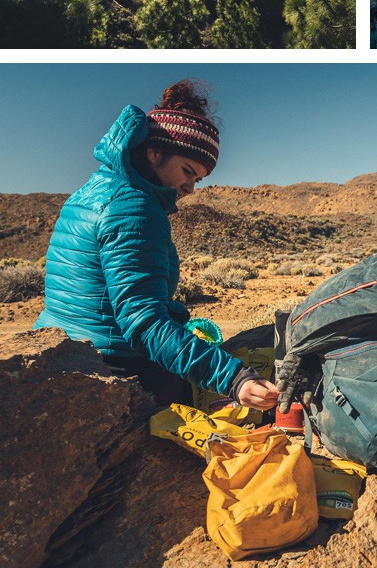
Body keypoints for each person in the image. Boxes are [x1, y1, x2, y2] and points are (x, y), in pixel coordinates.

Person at [35, 80, 278, 411]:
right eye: (188, 171)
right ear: (154, 152)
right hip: (115, 364)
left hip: (64, 348)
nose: (190, 188)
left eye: (198, 179)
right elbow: (143, 322)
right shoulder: (134, 208)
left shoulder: (93, 190)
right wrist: (235, 379)